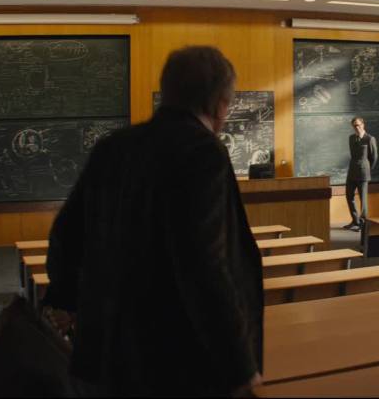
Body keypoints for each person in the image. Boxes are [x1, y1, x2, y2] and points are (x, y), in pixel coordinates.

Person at [42, 46, 263, 397]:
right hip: (171, 361)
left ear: (167, 92)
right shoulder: (203, 152)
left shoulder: (113, 146)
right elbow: (202, 263)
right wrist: (239, 365)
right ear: (220, 104)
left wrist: (66, 299)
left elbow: (65, 234)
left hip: (103, 349)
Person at [343, 116, 378, 232]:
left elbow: (374, 157)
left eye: (358, 125)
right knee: (349, 196)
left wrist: (367, 169)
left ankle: (363, 224)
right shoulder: (351, 138)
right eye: (354, 126)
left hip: (363, 173)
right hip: (352, 172)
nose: (356, 127)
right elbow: (353, 155)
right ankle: (355, 220)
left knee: (363, 200)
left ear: (363, 125)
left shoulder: (370, 139)